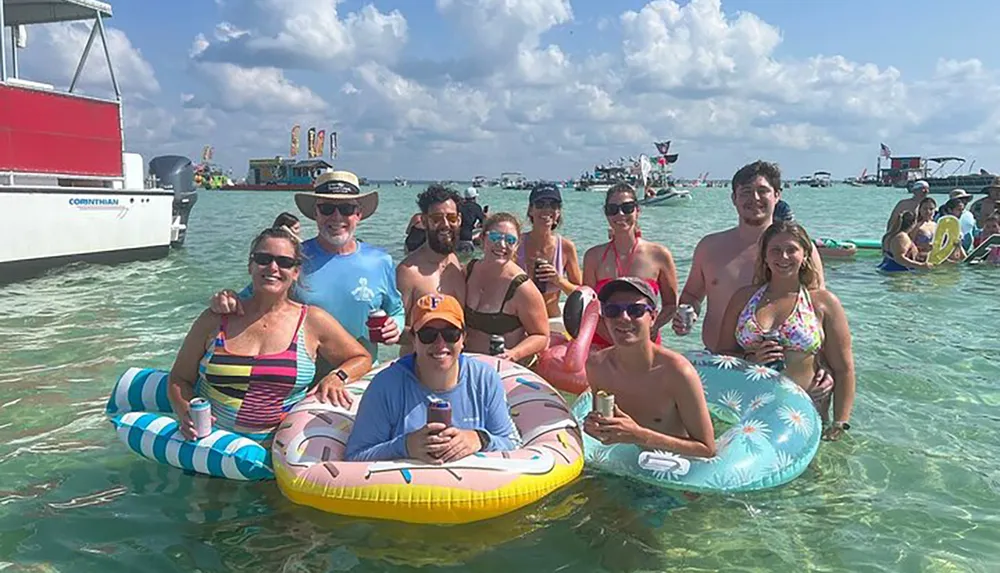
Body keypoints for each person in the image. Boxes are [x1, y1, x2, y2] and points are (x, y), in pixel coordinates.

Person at [168, 227, 373, 440]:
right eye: (263, 259)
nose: (273, 267)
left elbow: (361, 357)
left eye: (284, 262)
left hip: (279, 453)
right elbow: (179, 378)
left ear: (295, 272)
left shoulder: (312, 321)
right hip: (211, 446)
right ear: (251, 265)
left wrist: (336, 376)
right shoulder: (216, 318)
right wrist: (186, 412)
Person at [209, 170, 404, 369]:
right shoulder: (291, 258)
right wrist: (226, 299)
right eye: (327, 208)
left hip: (360, 374)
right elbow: (249, 300)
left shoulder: (381, 261)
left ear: (358, 214)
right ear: (316, 214)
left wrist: (395, 325)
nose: (337, 217)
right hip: (301, 383)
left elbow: (396, 309)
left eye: (346, 208)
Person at [673, 161, 831, 403]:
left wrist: (826, 368)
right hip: (721, 365)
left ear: (777, 195)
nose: (754, 198)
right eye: (745, 192)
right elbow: (692, 296)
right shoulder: (709, 247)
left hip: (785, 376)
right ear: (733, 198)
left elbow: (819, 314)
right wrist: (686, 314)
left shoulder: (797, 251)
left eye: (763, 191)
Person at [716, 221, 856, 439]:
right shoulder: (743, 299)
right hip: (749, 413)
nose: (783, 257)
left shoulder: (823, 302)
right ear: (764, 256)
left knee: (822, 473)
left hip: (807, 413)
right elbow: (721, 357)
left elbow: (844, 369)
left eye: (792, 250)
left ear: (805, 256)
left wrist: (840, 423)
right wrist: (749, 359)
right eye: (776, 250)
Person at [344, 294, 521, 463]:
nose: (440, 344)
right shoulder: (386, 386)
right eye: (428, 335)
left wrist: (480, 439)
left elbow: (514, 444)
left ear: (463, 338)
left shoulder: (485, 379)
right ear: (414, 340)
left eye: (450, 334)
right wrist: (405, 446)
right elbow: (355, 456)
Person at [582, 277, 716, 457]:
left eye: (636, 310)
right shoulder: (596, 365)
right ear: (604, 317)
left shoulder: (677, 373)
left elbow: (707, 449)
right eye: (613, 310)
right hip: (624, 465)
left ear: (653, 317)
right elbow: (604, 428)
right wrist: (595, 427)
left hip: (673, 468)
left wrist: (639, 435)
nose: (623, 318)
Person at [582, 183, 679, 349]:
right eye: (613, 209)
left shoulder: (659, 255)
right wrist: (616, 340)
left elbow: (670, 305)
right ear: (606, 214)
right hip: (603, 344)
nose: (620, 214)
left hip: (646, 343)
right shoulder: (593, 257)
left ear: (638, 210)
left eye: (627, 208)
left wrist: (652, 328)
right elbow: (589, 309)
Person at [464, 213, 550, 364]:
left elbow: (541, 336)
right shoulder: (467, 271)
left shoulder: (522, 288)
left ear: (516, 246)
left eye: (510, 240)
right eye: (495, 237)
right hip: (467, 363)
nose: (502, 245)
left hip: (503, 367)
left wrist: (514, 354)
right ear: (483, 238)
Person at [396, 185, 468, 355]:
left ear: (459, 220)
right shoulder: (408, 272)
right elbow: (395, 330)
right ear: (424, 221)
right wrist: (433, 337)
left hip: (454, 366)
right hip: (417, 368)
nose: (445, 224)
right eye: (436, 218)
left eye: (451, 218)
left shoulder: (455, 263)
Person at [518, 183, 583, 318]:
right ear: (531, 210)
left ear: (558, 212)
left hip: (551, 320)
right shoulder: (517, 244)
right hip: (520, 323)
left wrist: (558, 280)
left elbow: (581, 294)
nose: (547, 210)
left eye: (553, 205)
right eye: (540, 204)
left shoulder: (566, 247)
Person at [458, 187, 486, 254]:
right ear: (474, 197)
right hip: (467, 239)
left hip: (456, 238)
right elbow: (484, 222)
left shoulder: (459, 206)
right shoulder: (476, 207)